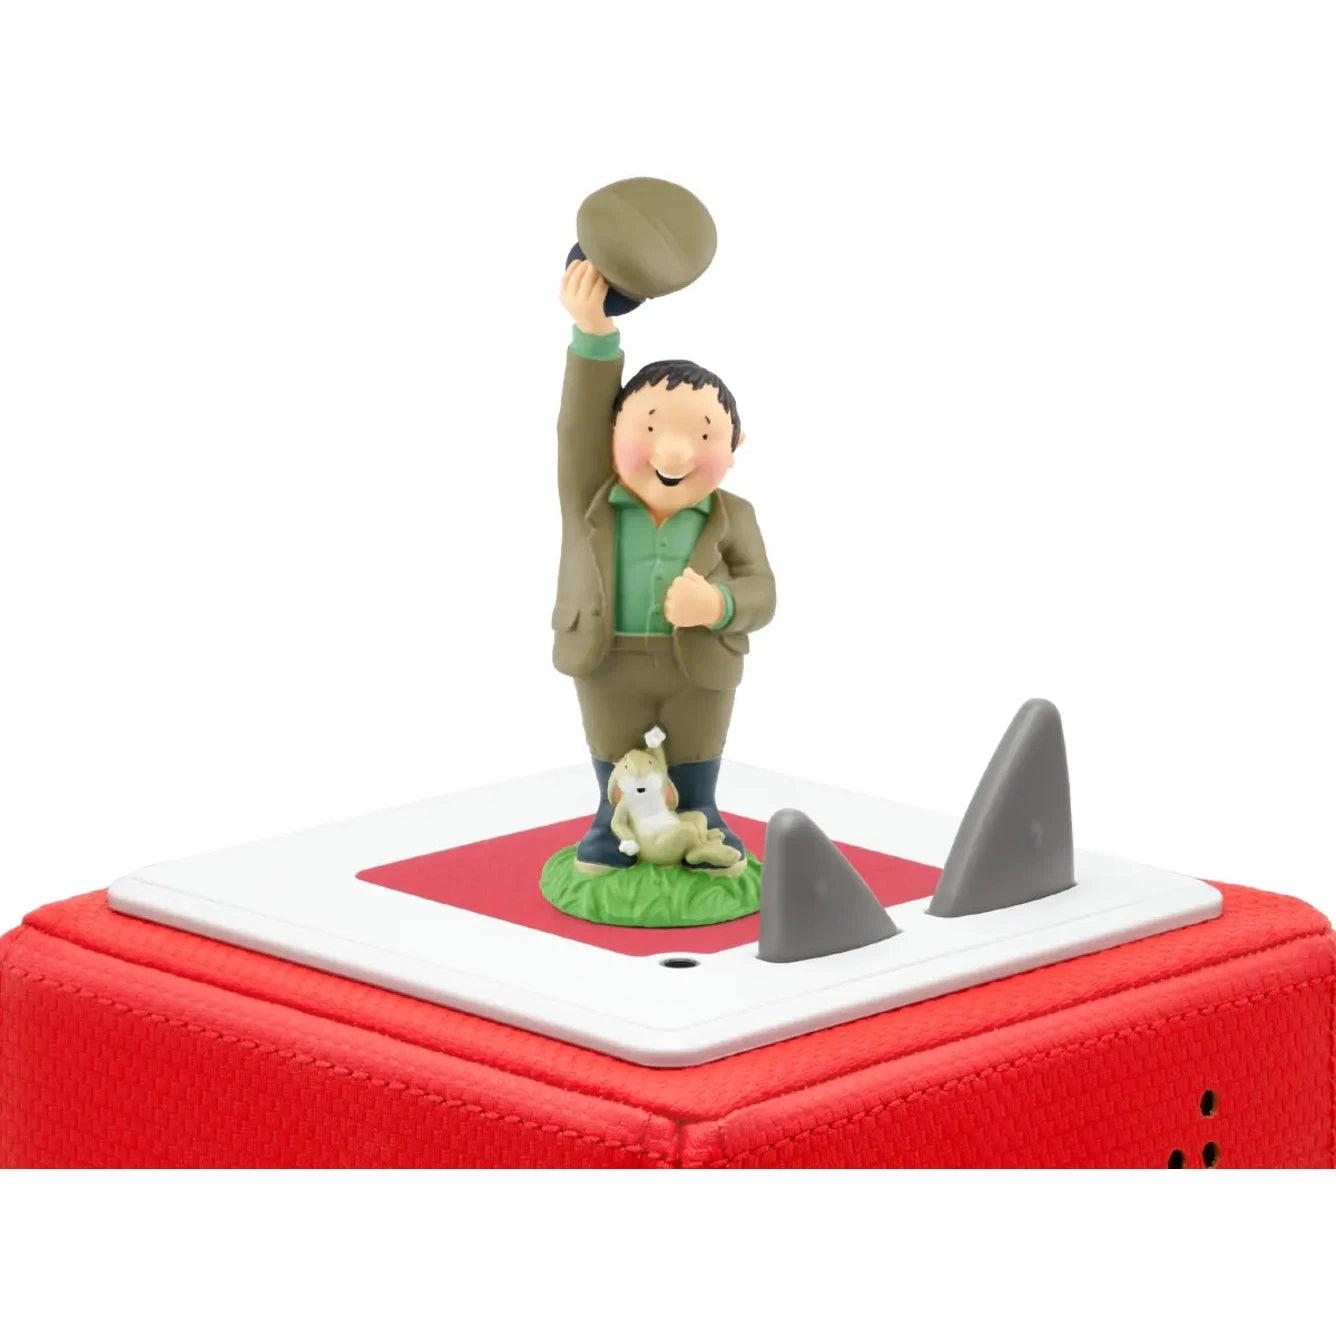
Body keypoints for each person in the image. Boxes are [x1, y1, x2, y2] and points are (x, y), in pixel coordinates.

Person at [553, 258, 776, 873]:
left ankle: (702, 818)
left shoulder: (734, 514)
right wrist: (594, 335)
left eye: (705, 436)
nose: (674, 453)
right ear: (611, 436)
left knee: (695, 744)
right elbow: (577, 424)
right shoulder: (590, 497)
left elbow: (762, 590)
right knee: (615, 741)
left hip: (698, 662)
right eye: (648, 428)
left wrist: (720, 604)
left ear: (734, 447)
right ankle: (611, 824)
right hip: (607, 654)